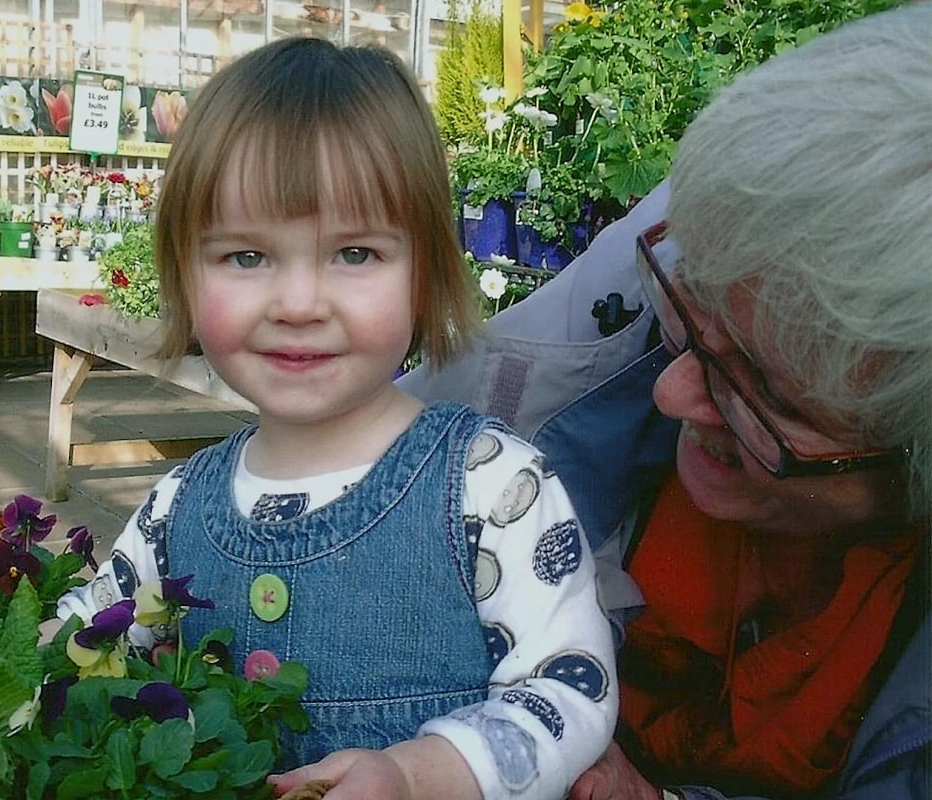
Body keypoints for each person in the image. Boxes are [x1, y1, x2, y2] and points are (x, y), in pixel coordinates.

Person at [55, 37, 617, 800]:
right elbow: (95, 630)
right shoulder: (178, 505)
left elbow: (567, 685)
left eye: (354, 253)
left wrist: (420, 777)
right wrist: (10, 669)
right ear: (184, 275)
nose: (298, 305)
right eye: (246, 257)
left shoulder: (490, 485)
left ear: (425, 272)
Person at [401, 5, 931, 800]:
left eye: (766, 393)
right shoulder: (669, 265)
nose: (671, 391)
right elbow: (374, 468)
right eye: (690, 314)